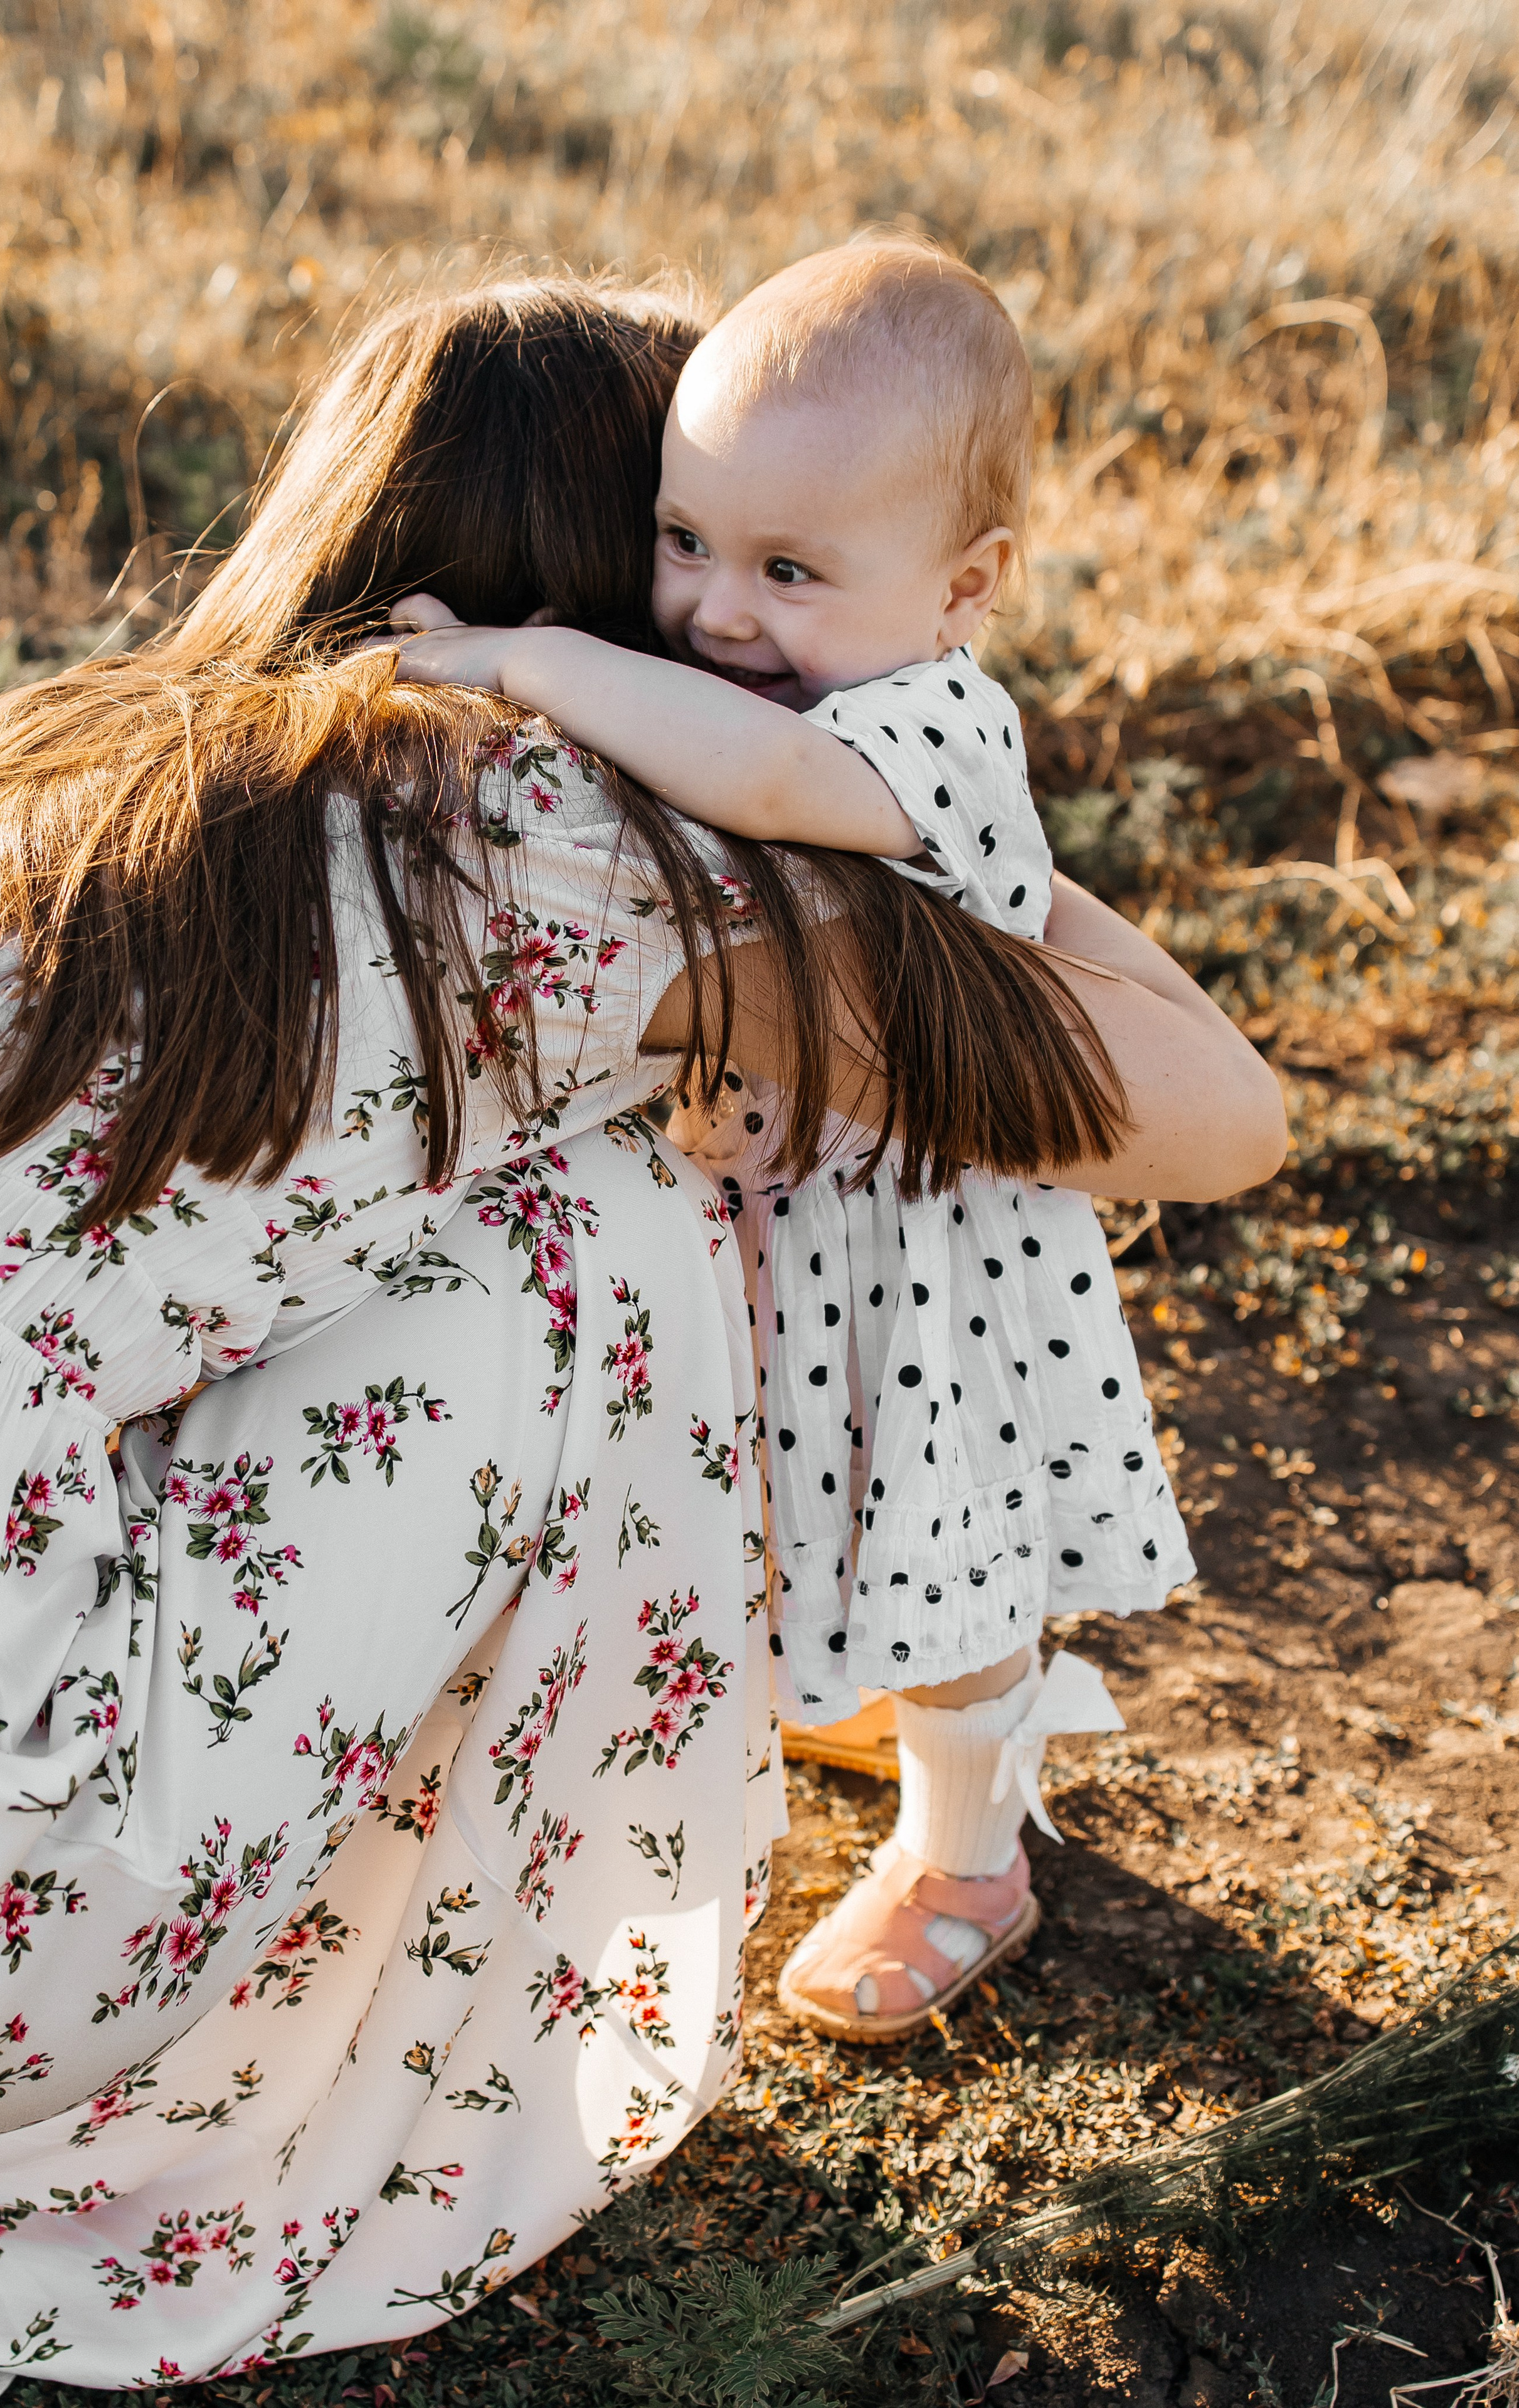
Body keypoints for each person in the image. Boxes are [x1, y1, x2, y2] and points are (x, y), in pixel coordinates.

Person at [0, 275, 1281, 2401]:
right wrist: (929, 791)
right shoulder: (564, 844)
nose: (718, 613)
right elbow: (1217, 1115)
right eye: (681, 545)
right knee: (598, 1219)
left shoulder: (77, 773)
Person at [377, 239, 1279, 2040]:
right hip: (807, 1226)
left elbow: (771, 795)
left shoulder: (927, 723)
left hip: (928, 1269)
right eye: (688, 540)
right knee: (823, 1527)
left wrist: (524, 656)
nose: (715, 611)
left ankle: (970, 1854)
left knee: (938, 1557)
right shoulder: (781, 685)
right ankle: (884, 1720)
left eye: (792, 570)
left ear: (968, 588)